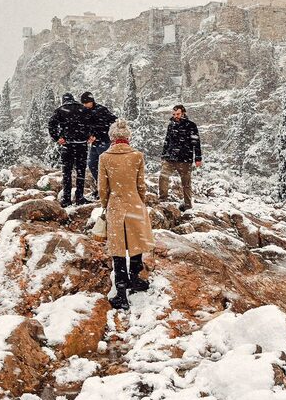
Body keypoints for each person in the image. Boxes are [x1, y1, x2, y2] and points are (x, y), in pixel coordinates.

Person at [98, 119, 155, 310]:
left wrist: (106, 204)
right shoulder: (137, 156)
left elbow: (102, 188)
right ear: (128, 137)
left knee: (119, 249)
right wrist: (140, 201)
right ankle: (135, 279)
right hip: (135, 203)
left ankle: (121, 291)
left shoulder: (105, 157)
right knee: (136, 243)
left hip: (116, 204)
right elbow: (141, 185)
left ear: (112, 137)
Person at [48, 93, 91, 207]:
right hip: (82, 144)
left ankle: (66, 199)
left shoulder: (60, 110)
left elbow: (51, 125)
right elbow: (92, 122)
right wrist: (90, 135)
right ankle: (79, 197)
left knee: (66, 172)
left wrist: (57, 138)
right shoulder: (83, 109)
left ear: (64, 101)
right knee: (80, 171)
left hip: (68, 145)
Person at [159, 105, 202, 211]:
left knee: (186, 183)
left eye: (177, 114)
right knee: (163, 177)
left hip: (185, 159)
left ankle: (188, 205)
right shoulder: (171, 125)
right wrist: (164, 155)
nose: (175, 116)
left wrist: (198, 158)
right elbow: (167, 140)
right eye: (174, 114)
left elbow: (196, 142)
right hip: (170, 158)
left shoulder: (191, 125)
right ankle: (162, 200)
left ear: (183, 113)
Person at [81, 91, 117, 199]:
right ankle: (101, 186)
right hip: (95, 143)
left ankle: (109, 189)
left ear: (91, 101)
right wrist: (88, 136)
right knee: (92, 164)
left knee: (105, 166)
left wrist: (98, 134)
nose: (84, 105)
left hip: (104, 142)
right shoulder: (85, 111)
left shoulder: (101, 110)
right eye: (83, 103)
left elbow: (113, 121)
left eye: (85, 103)